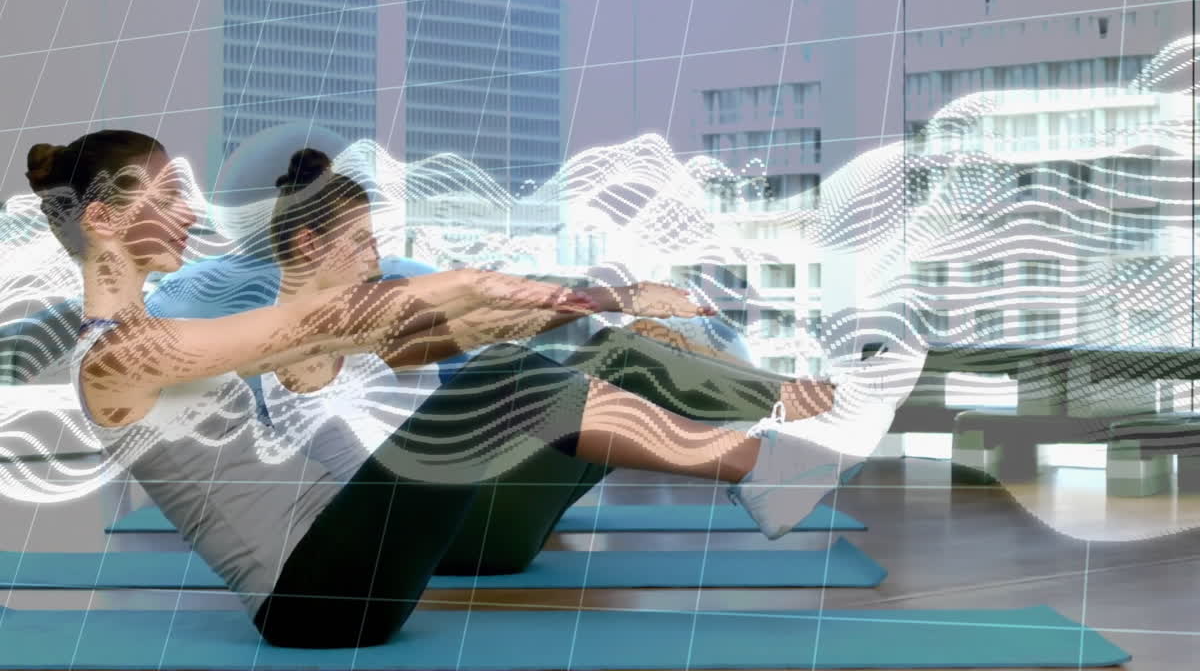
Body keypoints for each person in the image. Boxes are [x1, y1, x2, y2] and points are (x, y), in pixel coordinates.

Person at [26, 129, 890, 649]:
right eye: (169, 194)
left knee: (521, 374)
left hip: (344, 565)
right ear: (101, 220)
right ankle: (772, 471)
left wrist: (571, 303)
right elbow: (328, 327)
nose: (189, 211)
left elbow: (387, 330)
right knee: (512, 385)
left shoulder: (164, 341)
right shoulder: (121, 356)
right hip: (312, 598)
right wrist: (464, 290)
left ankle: (778, 457)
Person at [253, 148, 847, 575]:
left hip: (480, 508)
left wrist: (618, 302)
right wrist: (611, 296)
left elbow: (470, 328)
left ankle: (812, 406)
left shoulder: (364, 323)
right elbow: (461, 335)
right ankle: (771, 460)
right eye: (361, 242)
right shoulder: (299, 337)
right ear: (310, 245)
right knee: (512, 372)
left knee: (628, 347)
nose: (376, 257)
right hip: (446, 536)